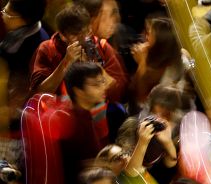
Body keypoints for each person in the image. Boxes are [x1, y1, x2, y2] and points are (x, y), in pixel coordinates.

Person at [30, 3, 128, 103]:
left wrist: (94, 67)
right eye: (75, 35)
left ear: (90, 30)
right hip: (58, 114)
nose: (81, 39)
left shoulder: (101, 47)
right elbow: (38, 94)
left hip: (96, 113)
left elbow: (119, 91)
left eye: (85, 33)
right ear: (62, 35)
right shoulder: (47, 49)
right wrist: (66, 63)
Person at [0, 0, 48, 167]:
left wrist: (7, 111)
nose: (3, 14)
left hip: (13, 130)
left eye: (6, 13)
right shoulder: (18, 35)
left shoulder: (33, 46)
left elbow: (20, 92)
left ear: (21, 19)